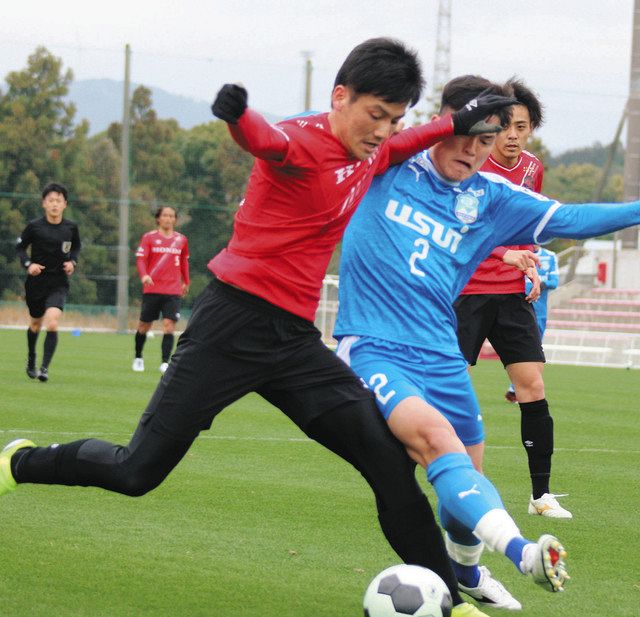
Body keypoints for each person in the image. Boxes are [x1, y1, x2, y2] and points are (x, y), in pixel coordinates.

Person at [0, 39, 517, 617]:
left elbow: (408, 142)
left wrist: (455, 121)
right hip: (230, 327)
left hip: (294, 342)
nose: (383, 130)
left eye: (393, 118)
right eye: (375, 115)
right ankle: (20, 462)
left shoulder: (374, 149)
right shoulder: (300, 141)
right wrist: (237, 115)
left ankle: (451, 598)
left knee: (387, 461)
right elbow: (264, 139)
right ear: (339, 96)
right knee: (136, 471)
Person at [334, 72, 640, 610]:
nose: (476, 151)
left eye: (488, 140)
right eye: (468, 135)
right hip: (374, 346)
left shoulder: (494, 197)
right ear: (441, 125)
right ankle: (523, 552)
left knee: (466, 485)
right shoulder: (383, 165)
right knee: (436, 441)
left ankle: (467, 575)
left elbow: (572, 218)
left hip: (443, 356)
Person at [452, 78, 573, 519]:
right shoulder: (469, 165)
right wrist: (506, 253)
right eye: (505, 126)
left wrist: (531, 267)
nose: (513, 135)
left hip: (509, 294)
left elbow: (528, 227)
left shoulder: (531, 169)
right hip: (465, 291)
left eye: (522, 125)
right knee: (443, 388)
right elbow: (465, 231)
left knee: (532, 386)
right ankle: (446, 479)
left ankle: (540, 496)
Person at [15, 182, 81, 383]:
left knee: (52, 322)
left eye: (58, 201)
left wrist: (73, 261)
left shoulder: (71, 227)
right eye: (51, 200)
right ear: (44, 203)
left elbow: (76, 247)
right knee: (35, 323)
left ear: (65, 204)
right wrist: (28, 264)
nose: (54, 204)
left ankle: (44, 368)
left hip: (58, 282)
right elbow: (20, 248)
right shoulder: (34, 226)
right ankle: (32, 359)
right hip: (36, 282)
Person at [132, 206, 190, 374]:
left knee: (169, 326)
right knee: (144, 326)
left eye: (171, 216)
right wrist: (144, 276)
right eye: (165, 215)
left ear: (175, 219)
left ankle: (165, 362)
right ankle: (138, 357)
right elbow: (141, 260)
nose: (168, 219)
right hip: (152, 288)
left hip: (172, 289)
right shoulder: (149, 238)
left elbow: (184, 261)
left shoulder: (181, 239)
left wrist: (186, 281)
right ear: (158, 218)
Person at [505, 245, 559, 401]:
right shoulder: (516, 255)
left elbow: (554, 281)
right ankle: (516, 388)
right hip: (516, 308)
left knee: (533, 350)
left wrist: (540, 283)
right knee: (515, 348)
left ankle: (517, 388)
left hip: (539, 312)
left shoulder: (549, 256)